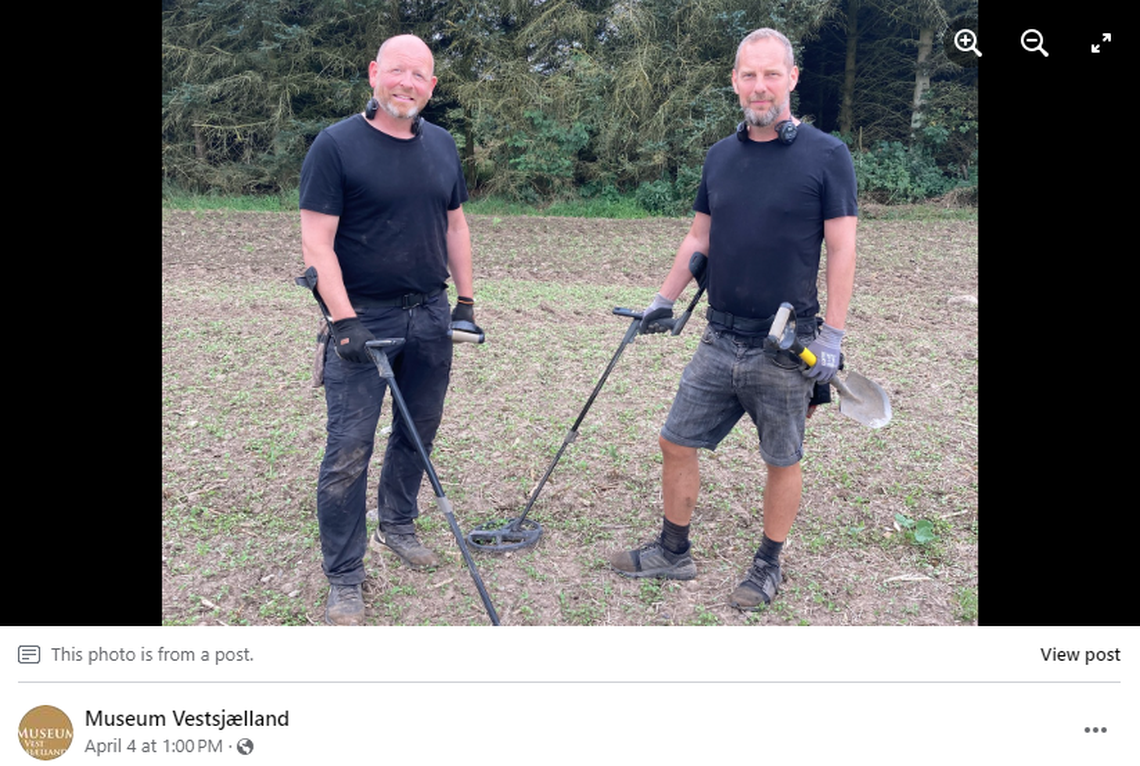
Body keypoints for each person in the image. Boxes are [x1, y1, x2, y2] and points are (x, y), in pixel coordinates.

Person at [607, 28, 858, 610]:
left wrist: (834, 338)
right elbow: (700, 237)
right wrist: (663, 299)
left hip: (785, 344)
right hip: (719, 336)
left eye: (772, 74)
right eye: (749, 75)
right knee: (675, 441)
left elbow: (842, 249)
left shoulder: (826, 155)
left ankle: (768, 565)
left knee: (782, 458)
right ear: (735, 81)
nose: (760, 86)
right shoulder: (720, 156)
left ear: (792, 79)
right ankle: (673, 552)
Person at [298, 34, 478, 625]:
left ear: (431, 86)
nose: (406, 83)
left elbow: (455, 227)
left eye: (419, 75)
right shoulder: (336, 146)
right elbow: (317, 243)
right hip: (363, 317)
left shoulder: (443, 146)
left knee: (417, 432)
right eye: (396, 70)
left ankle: (398, 523)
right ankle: (345, 574)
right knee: (348, 449)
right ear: (375, 73)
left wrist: (466, 302)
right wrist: (344, 319)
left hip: (429, 312)